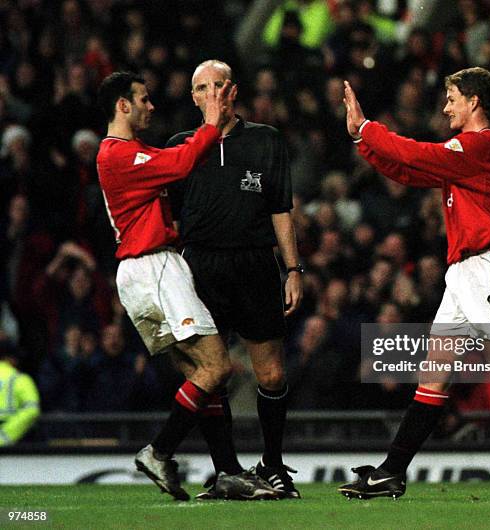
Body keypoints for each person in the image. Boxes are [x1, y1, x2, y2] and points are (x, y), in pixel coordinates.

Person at [338, 67, 490, 500]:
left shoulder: (483, 144)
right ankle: (391, 472)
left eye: (452, 98)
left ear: (473, 101)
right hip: (464, 272)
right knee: (434, 374)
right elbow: (409, 171)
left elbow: (418, 155)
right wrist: (362, 141)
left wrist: (368, 127)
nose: (445, 107)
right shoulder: (466, 157)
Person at [96, 71, 278, 501]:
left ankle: (228, 471)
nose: (150, 106)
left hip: (138, 274)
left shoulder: (132, 152)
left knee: (202, 377)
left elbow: (173, 162)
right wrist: (211, 122)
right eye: (142, 99)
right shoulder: (116, 155)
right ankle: (159, 451)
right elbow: (178, 163)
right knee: (217, 369)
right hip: (155, 268)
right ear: (123, 105)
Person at [167, 59, 303, 499]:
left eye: (219, 85)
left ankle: (274, 466)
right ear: (193, 97)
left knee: (271, 373)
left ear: (234, 91)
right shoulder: (180, 146)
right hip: (199, 268)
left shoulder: (266, 140)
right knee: (211, 373)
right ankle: (225, 470)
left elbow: (281, 209)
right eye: (203, 87)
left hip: (255, 265)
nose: (213, 95)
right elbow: (170, 219)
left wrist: (294, 269)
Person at [0, 340, 40, 446]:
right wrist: (4, 436)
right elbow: (32, 410)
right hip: (11, 445)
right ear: (12, 359)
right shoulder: (19, 379)